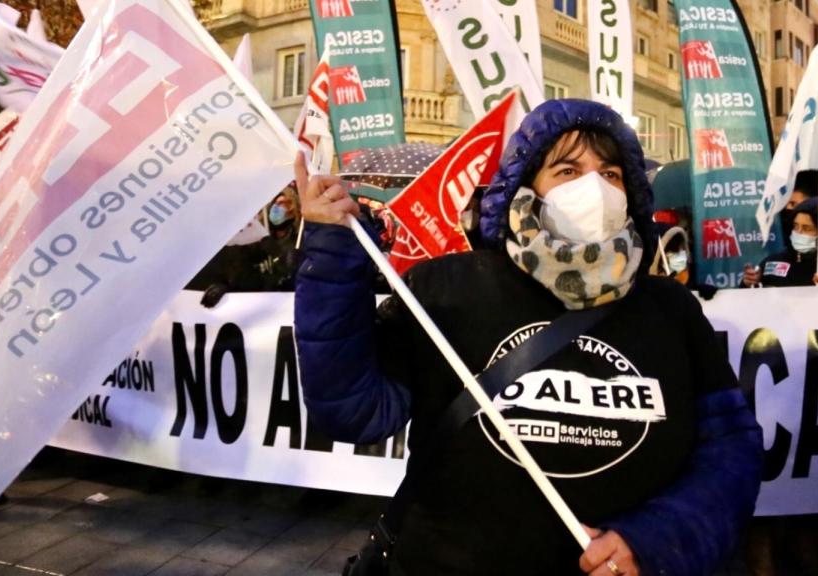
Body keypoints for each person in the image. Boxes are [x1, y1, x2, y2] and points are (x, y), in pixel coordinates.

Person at [294, 99, 763, 576]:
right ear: (525, 188)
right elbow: (353, 412)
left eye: (612, 174)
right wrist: (333, 257)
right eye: (567, 170)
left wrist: (656, 541)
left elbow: (730, 450)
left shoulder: (671, 308)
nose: (595, 189)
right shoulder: (446, 287)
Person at [742, 197, 818, 291]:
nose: (798, 232)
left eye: (807, 228)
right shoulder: (772, 262)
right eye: (795, 226)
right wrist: (749, 283)